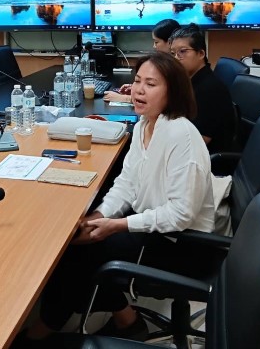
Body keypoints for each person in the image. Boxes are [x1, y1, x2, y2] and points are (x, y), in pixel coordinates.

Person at [20, 52, 215, 344]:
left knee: (77, 255)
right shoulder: (145, 125)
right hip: (155, 229)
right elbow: (126, 184)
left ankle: (46, 328)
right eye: (137, 81)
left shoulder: (181, 135)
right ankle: (123, 319)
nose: (138, 90)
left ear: (173, 92)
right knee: (77, 238)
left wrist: (117, 226)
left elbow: (181, 215)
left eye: (151, 84)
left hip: (181, 244)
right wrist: (99, 216)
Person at [168, 24, 236, 154]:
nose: (176, 58)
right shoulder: (191, 80)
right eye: (173, 53)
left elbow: (199, 141)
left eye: (182, 51)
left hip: (205, 158)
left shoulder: (210, 89)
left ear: (201, 54)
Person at [103, 19, 181, 102]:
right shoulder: (170, 64)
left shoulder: (176, 68)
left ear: (170, 42)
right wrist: (138, 88)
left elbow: (166, 99)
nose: (154, 46)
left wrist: (125, 98)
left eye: (156, 42)